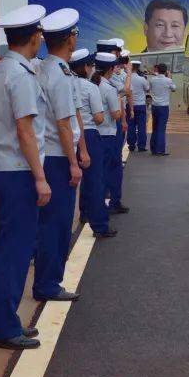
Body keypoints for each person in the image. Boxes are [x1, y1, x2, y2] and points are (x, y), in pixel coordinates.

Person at [0, 4, 50, 350]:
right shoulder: (20, 76)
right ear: (35, 37)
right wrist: (40, 178)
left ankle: (4, 321)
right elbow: (25, 129)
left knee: (1, 251)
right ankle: (4, 327)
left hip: (1, 172)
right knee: (13, 253)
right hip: (18, 174)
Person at [32, 8, 87, 303]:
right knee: (57, 224)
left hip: (48, 155)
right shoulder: (61, 74)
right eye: (75, 34)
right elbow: (64, 124)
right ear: (69, 39)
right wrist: (74, 162)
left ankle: (45, 279)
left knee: (47, 223)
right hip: (57, 158)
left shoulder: (42, 68)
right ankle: (48, 283)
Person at [71, 49, 113, 237]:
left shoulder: (67, 83)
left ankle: (84, 213)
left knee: (77, 180)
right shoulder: (90, 88)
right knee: (95, 180)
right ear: (86, 67)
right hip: (89, 135)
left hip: (69, 135)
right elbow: (98, 118)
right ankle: (100, 224)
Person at [94, 52, 124, 235]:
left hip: (96, 134)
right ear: (111, 69)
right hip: (108, 134)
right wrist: (120, 108)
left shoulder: (93, 84)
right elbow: (115, 115)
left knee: (98, 174)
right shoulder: (108, 88)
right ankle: (109, 205)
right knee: (110, 171)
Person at [104, 40, 129, 214]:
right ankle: (111, 201)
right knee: (112, 165)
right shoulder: (109, 77)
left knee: (109, 165)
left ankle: (112, 199)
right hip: (108, 125)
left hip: (112, 124)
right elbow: (124, 92)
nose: (119, 57)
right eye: (116, 53)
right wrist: (128, 75)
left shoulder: (110, 75)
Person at [149, 63, 176, 155]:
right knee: (161, 129)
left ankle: (153, 148)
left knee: (155, 127)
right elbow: (174, 89)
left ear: (157, 70)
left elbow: (150, 89)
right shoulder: (168, 80)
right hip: (163, 107)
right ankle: (160, 149)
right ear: (166, 71)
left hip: (154, 106)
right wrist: (169, 77)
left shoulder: (152, 80)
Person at [128, 59, 150, 152]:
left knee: (131, 126)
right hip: (140, 105)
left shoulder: (126, 78)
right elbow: (147, 89)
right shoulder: (142, 79)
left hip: (130, 105)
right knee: (142, 126)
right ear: (138, 68)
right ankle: (141, 146)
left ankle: (131, 145)